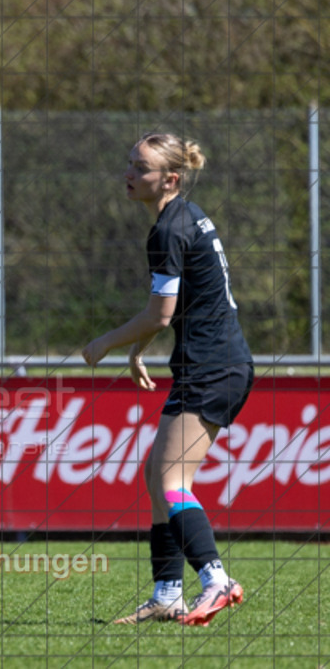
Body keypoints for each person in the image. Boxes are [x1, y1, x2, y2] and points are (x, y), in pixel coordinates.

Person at [82, 133, 252, 627]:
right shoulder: (184, 216)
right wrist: (138, 351)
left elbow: (160, 315)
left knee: (172, 480)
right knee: (157, 477)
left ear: (169, 179)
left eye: (141, 167)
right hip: (210, 363)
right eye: (129, 164)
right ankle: (166, 594)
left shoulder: (167, 230)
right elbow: (173, 311)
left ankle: (216, 580)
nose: (129, 174)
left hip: (212, 366)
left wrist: (106, 343)